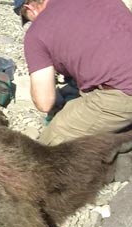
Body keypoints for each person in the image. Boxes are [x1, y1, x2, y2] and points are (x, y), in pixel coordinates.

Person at [13, 0, 132, 145]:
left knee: (51, 142)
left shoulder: (36, 33)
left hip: (123, 90)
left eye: (27, 18)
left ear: (29, 7)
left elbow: (44, 103)